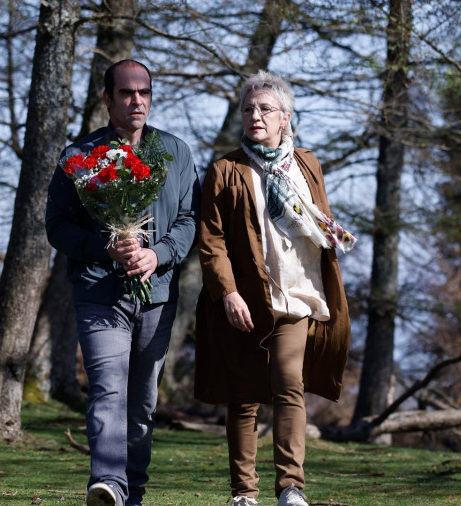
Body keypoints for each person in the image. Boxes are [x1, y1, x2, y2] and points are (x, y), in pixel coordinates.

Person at [195, 70, 356, 506]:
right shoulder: (225, 170)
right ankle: (244, 494)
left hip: (297, 296)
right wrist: (226, 292)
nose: (255, 116)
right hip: (245, 301)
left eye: (265, 108)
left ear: (285, 117)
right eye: (248, 109)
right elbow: (211, 241)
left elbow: (318, 219)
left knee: (289, 386)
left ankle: (290, 488)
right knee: (243, 396)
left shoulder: (307, 164)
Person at [45, 59, 200, 506]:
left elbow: (191, 220)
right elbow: (57, 227)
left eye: (144, 92)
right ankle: (109, 484)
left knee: (142, 404)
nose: (137, 100)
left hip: (158, 295)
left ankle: (132, 492)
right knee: (108, 389)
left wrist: (157, 254)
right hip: (98, 291)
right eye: (127, 93)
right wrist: (104, 249)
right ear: (107, 98)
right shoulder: (77, 158)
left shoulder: (176, 151)